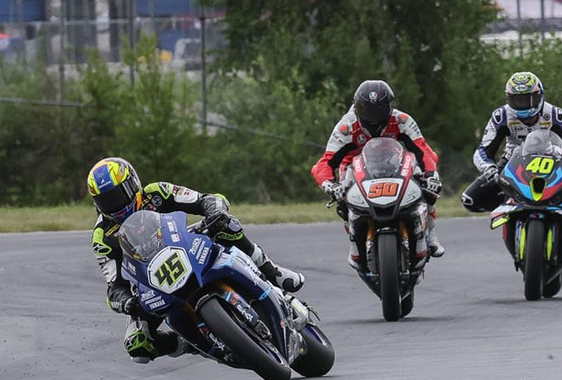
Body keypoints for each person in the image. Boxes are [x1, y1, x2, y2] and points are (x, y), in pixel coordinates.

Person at [87, 157, 304, 364]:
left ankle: (272, 273)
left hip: (186, 245)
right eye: (105, 200)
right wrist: (126, 302)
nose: (114, 205)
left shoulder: (157, 193)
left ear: (133, 183)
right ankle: (191, 344)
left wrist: (216, 212)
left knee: (228, 225)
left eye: (117, 195)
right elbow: (114, 286)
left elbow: (206, 199)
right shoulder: (103, 236)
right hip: (151, 281)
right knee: (138, 347)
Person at [312, 80, 444, 267]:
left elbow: (424, 152)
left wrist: (431, 175)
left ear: (390, 107)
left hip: (394, 162)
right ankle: (356, 245)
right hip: (353, 168)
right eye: (368, 114)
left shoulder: (402, 120)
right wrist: (330, 184)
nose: (373, 121)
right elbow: (324, 163)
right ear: (357, 109)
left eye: (379, 114)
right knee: (343, 199)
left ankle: (431, 235)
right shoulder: (346, 127)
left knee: (427, 185)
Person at [461, 71, 562, 216]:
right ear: (509, 99)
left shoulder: (555, 114)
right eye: (517, 100)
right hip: (512, 161)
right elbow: (483, 151)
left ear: (540, 96)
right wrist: (489, 168)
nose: (523, 105)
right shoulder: (501, 116)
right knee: (470, 200)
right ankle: (509, 203)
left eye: (528, 99)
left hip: (552, 159)